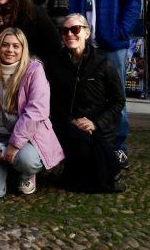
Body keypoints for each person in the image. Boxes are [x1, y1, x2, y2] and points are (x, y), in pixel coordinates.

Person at [60, 0, 141, 165]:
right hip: (82, 47)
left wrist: (120, 30)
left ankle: (118, 145)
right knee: (84, 96)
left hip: (111, 45)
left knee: (117, 97)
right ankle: (88, 141)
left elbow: (132, 4)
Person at [0, 28, 64, 198]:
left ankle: (26, 174)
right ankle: (3, 169)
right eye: (5, 45)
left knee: (27, 161)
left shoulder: (34, 71)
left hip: (27, 140)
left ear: (23, 49)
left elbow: (37, 110)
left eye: (16, 46)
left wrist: (15, 144)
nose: (10, 50)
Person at [46, 14, 126, 193]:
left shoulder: (103, 63)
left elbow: (118, 100)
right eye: (64, 31)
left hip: (96, 127)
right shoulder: (55, 63)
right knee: (81, 149)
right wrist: (70, 120)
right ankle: (112, 173)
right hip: (66, 125)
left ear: (87, 33)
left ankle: (104, 173)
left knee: (88, 151)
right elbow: (50, 100)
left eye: (75, 29)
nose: (69, 34)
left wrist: (95, 122)